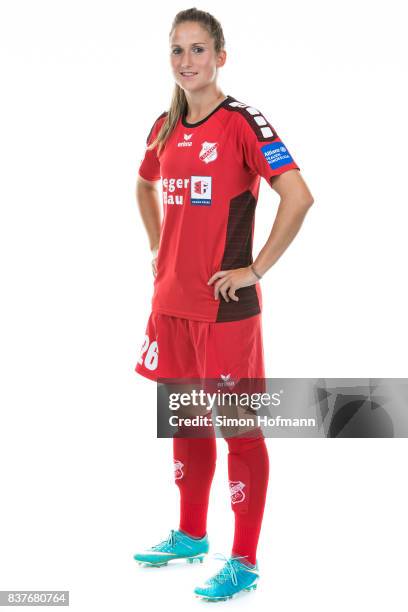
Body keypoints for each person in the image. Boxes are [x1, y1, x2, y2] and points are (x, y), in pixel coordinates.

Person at [133, 7, 314, 602]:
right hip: (171, 306)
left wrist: (255, 269)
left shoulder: (242, 123)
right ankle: (189, 534)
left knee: (239, 429)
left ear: (220, 57)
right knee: (186, 419)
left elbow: (299, 196)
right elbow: (144, 183)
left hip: (225, 309)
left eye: (198, 50)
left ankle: (244, 560)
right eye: (177, 51)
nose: (186, 62)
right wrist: (158, 245)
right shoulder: (164, 125)